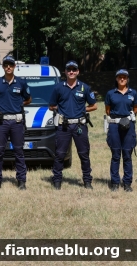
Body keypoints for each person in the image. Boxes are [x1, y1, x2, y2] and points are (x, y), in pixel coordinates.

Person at [49, 60, 97, 190]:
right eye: (69, 69)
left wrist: (82, 110)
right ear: (65, 72)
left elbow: (94, 106)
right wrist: (60, 109)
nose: (71, 72)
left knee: (84, 154)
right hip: (63, 126)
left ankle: (87, 181)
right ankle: (57, 180)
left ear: (78, 72)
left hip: (79, 126)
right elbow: (51, 106)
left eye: (74, 70)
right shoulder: (58, 87)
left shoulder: (84, 87)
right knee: (60, 154)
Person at [0, 55, 32, 190]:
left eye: (11, 65)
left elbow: (28, 99)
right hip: (1, 122)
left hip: (17, 122)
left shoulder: (21, 83)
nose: (8, 67)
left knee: (18, 151)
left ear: (14, 67)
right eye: (6, 65)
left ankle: (21, 180)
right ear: (3, 67)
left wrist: (19, 104)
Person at [105, 69, 137, 192]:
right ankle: (114, 182)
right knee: (115, 155)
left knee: (127, 155)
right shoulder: (110, 93)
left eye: (124, 77)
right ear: (116, 79)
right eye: (120, 77)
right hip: (114, 125)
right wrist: (118, 119)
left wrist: (127, 119)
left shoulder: (133, 93)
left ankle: (127, 183)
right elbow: (108, 110)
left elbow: (135, 108)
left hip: (128, 126)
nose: (122, 79)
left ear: (127, 79)